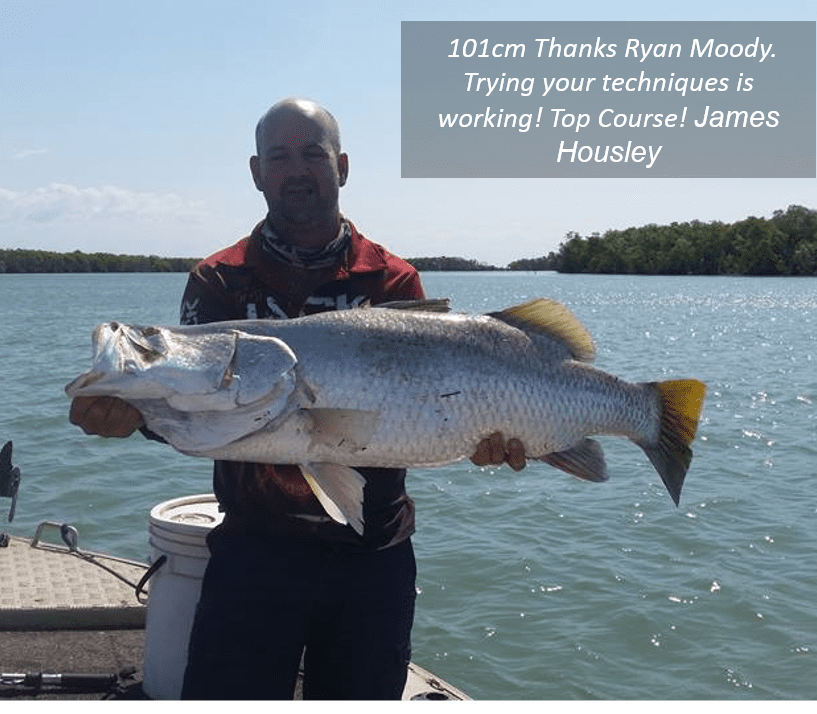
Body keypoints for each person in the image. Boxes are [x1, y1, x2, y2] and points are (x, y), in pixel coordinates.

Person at [69, 98, 525, 700]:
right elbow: (198, 402)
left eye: (312, 152)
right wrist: (134, 414)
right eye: (280, 156)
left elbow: (440, 405)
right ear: (258, 173)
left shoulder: (391, 281)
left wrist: (488, 437)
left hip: (373, 557)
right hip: (253, 551)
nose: (297, 168)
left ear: (342, 165)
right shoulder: (218, 280)